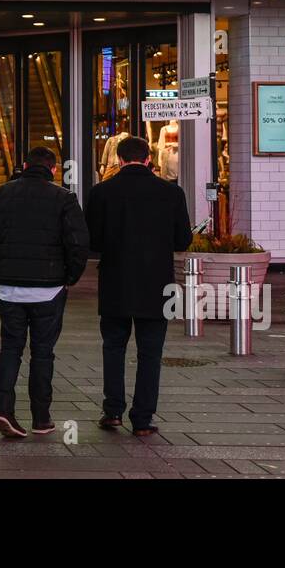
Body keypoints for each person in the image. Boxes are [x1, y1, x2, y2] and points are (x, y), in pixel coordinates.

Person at [0, 146, 89, 438]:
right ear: (53, 169)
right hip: (49, 290)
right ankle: (41, 418)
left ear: (24, 165)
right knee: (42, 353)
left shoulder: (0, 195)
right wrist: (70, 278)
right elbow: (78, 242)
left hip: (10, 288)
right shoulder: (64, 198)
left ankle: (4, 410)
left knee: (10, 348)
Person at [85, 136, 191, 437]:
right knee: (150, 352)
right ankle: (142, 418)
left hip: (116, 281)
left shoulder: (102, 192)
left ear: (119, 160)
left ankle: (113, 410)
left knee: (114, 347)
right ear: (148, 160)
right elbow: (183, 240)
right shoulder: (171, 193)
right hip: (156, 283)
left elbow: (92, 240)